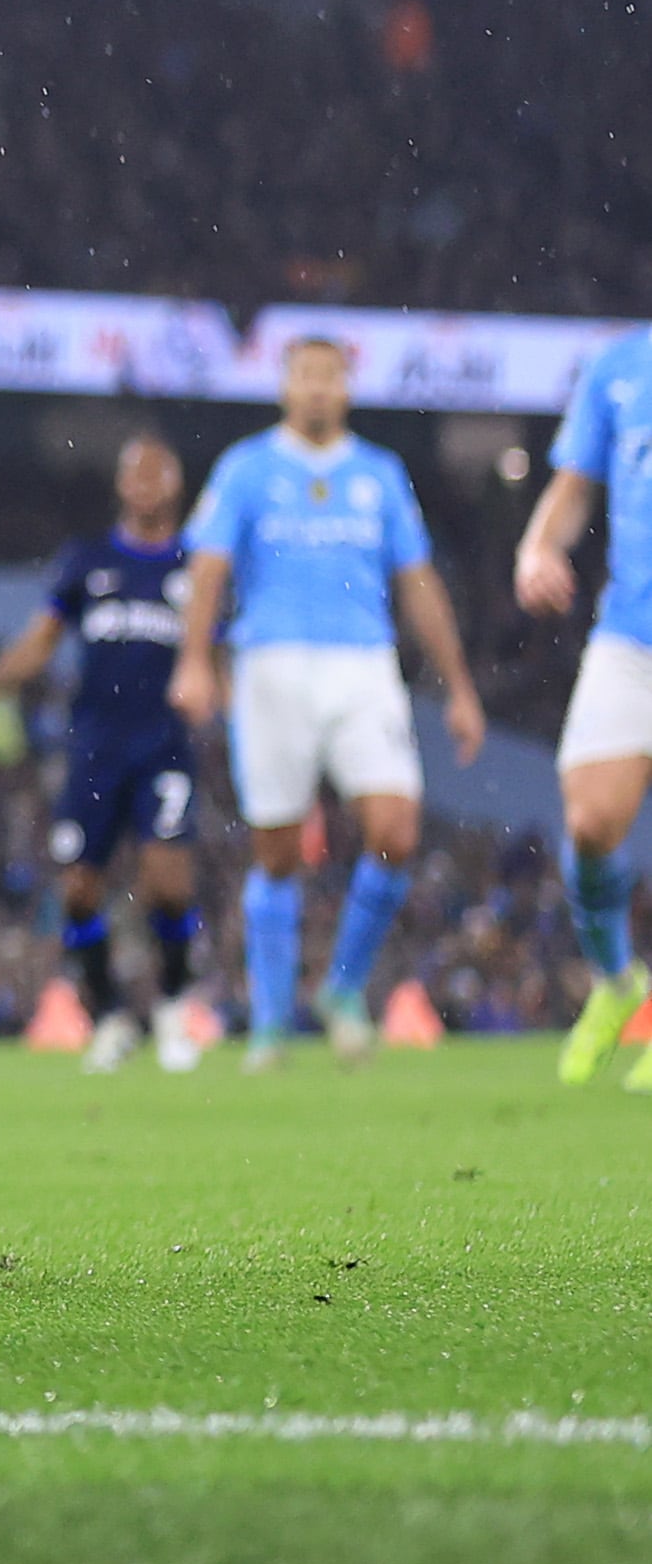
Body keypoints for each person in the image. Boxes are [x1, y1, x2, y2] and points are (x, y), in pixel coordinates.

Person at [169, 339, 486, 1068]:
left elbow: (418, 582)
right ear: (285, 387)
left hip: (363, 662)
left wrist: (460, 687)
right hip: (271, 662)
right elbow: (208, 571)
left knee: (396, 830)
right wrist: (194, 661)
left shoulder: (380, 474)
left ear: (347, 387)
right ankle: (272, 1024)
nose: (317, 389)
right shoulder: (246, 468)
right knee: (277, 852)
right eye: (305, 376)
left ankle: (341, 989)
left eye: (330, 377)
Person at [0, 433, 209, 1074]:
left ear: (175, 484)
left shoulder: (196, 568)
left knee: (168, 883)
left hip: (164, 745)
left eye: (156, 471)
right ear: (121, 485)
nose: (144, 481)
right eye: (133, 471)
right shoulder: (87, 562)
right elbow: (40, 643)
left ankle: (172, 1006)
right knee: (80, 890)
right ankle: (110, 1015)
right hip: (95, 750)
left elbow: (217, 653)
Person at [513, 326, 652, 1089]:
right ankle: (616, 980)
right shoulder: (620, 365)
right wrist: (539, 547)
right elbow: (573, 487)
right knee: (592, 824)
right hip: (633, 632)